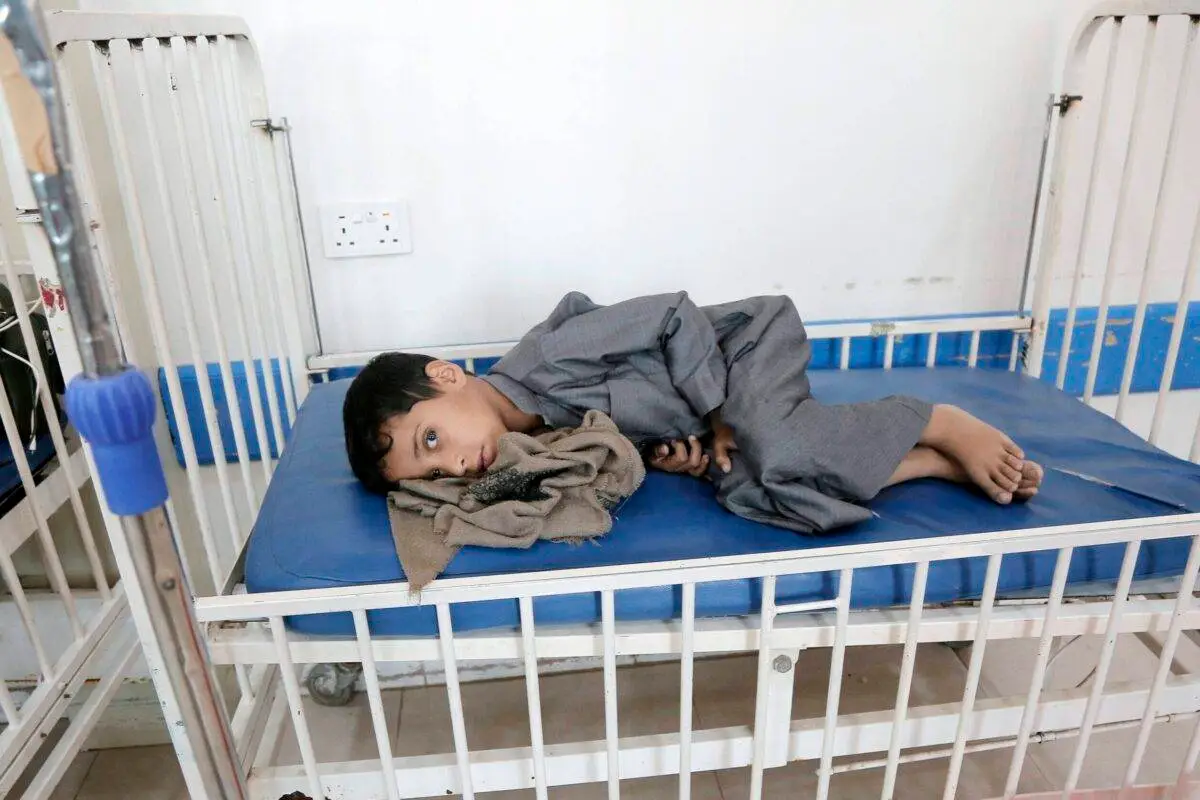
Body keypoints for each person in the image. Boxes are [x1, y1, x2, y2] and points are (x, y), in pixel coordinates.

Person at [343, 292, 1043, 534]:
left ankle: (935, 420)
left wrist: (716, 414)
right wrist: (680, 456)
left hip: (741, 351)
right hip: (715, 420)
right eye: (434, 472)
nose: (455, 464)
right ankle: (927, 464)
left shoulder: (549, 356)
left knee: (776, 447)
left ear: (447, 375)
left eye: (430, 438)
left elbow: (674, 314)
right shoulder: (540, 443)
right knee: (748, 490)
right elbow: (637, 434)